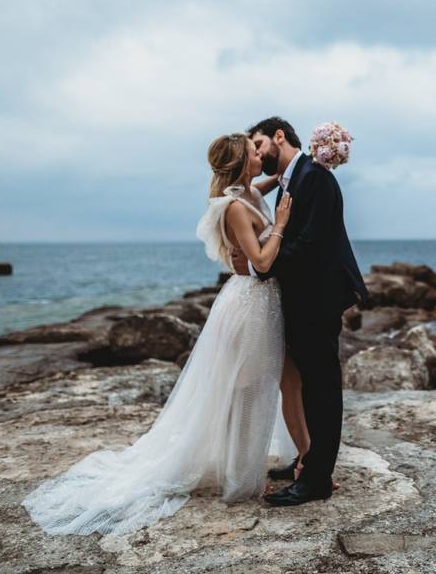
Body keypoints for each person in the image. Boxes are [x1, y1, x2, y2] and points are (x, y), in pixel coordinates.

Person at [22, 133, 295, 535]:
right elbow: (261, 260)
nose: (263, 154)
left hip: (264, 303)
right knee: (247, 389)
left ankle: (245, 468)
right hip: (250, 302)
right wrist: (283, 223)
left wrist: (302, 169)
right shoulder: (236, 206)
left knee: (258, 385)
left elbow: (276, 182)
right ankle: (242, 482)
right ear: (241, 162)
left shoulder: (250, 192)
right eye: (256, 151)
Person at [231, 116, 368, 507]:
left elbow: (309, 244)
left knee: (323, 388)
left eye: (258, 144)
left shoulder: (316, 178)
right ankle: (308, 462)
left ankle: (317, 479)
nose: (256, 153)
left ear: (279, 136)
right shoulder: (293, 180)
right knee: (306, 383)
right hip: (302, 298)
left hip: (319, 299)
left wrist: (261, 265)